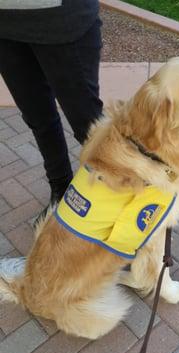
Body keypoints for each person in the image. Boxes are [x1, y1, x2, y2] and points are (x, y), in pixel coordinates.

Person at [0, 0, 103, 213]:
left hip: (64, 21)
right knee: (39, 119)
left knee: (90, 126)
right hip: (4, 26)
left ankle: (107, 194)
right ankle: (60, 187)